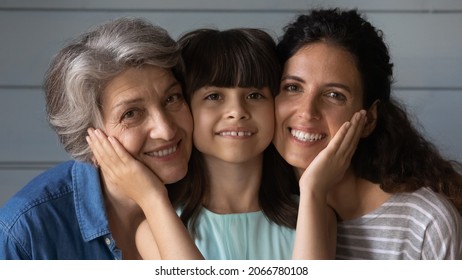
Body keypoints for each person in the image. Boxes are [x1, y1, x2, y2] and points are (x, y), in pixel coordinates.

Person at [0, 17, 202, 259]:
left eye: (172, 98)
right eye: (131, 114)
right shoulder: (27, 232)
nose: (166, 130)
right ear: (85, 133)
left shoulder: (214, 192)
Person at [274, 8, 462, 259]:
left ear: (369, 119)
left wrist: (313, 190)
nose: (307, 112)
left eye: (334, 95)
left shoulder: (425, 224)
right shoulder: (258, 210)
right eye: (293, 87)